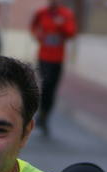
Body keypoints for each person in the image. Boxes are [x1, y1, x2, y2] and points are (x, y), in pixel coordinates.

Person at [30, 0, 77, 134]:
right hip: (43, 56)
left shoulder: (66, 14)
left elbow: (71, 33)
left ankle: (45, 114)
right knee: (46, 83)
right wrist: (37, 34)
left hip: (58, 58)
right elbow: (33, 26)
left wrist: (61, 24)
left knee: (52, 88)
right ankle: (41, 114)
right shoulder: (41, 13)